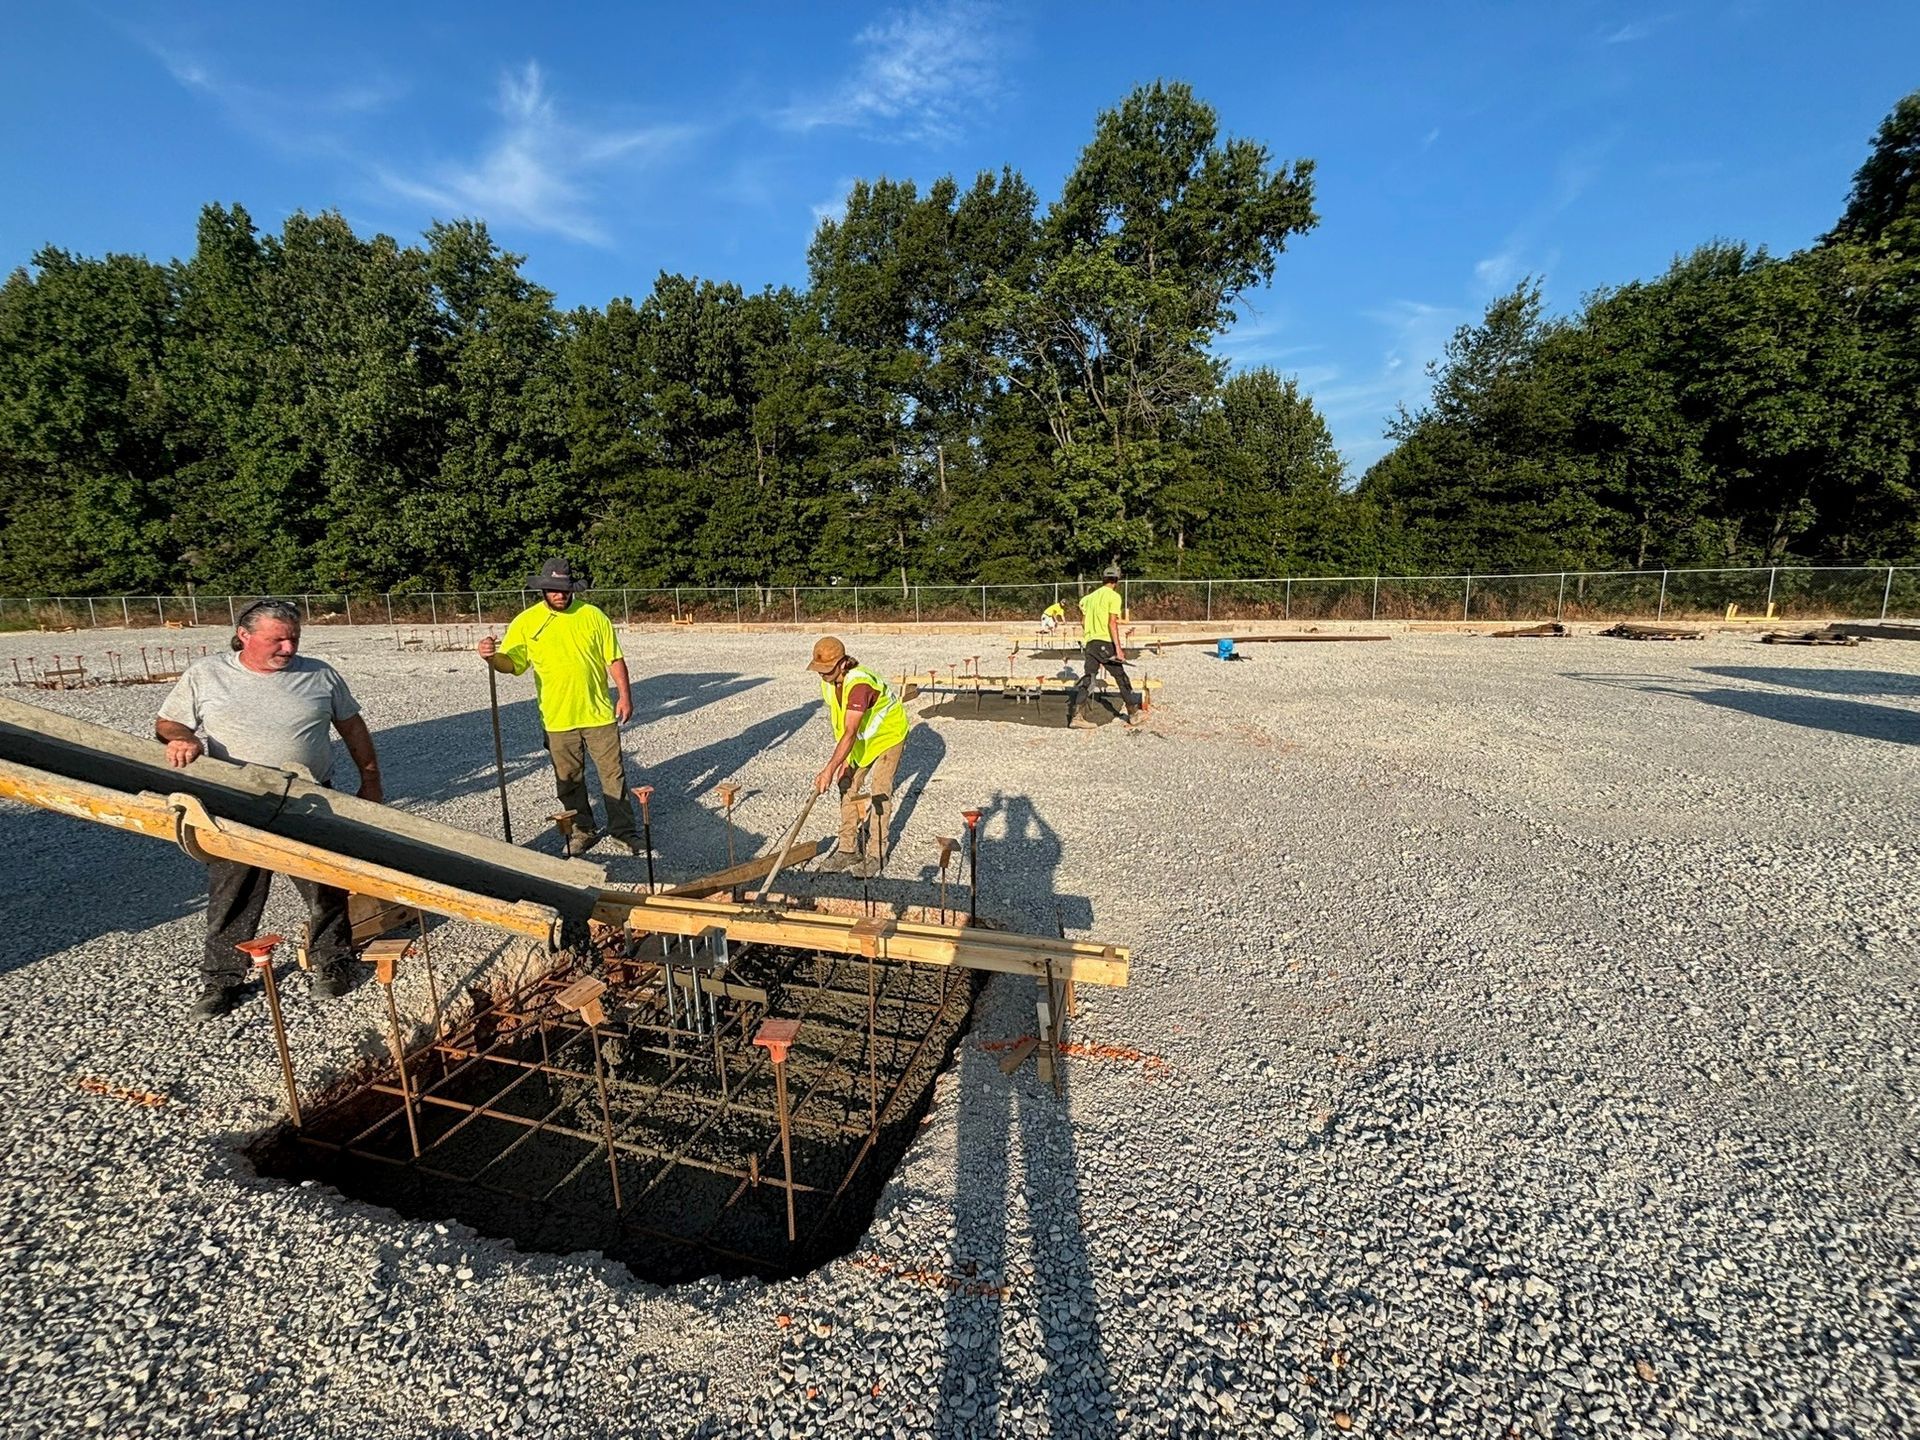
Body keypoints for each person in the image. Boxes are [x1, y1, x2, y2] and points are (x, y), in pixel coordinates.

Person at [155, 598, 383, 1019]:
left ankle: (332, 963)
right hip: (234, 803)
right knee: (233, 890)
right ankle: (221, 980)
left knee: (323, 884)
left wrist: (370, 780)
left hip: (310, 798)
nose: (288, 648)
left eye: (293, 638)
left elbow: (352, 727)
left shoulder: (320, 675)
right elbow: (167, 722)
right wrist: (181, 738)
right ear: (244, 635)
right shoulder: (207, 675)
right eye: (276, 639)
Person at [478, 558, 637, 857]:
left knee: (613, 775)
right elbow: (512, 664)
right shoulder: (526, 622)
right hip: (556, 717)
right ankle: (583, 830)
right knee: (569, 781)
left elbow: (614, 658)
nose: (559, 595)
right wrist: (491, 657)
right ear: (543, 590)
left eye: (564, 589)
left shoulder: (593, 616)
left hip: (599, 712)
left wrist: (625, 696)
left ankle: (624, 832)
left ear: (572, 588)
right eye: (553, 589)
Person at [807, 636, 909, 878]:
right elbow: (842, 725)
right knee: (847, 785)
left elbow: (851, 731)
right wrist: (841, 763)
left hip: (888, 735)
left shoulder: (860, 685)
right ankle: (847, 849)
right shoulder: (829, 682)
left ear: (842, 663)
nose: (823, 675)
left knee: (879, 791)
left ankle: (876, 853)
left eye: (827, 670)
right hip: (863, 740)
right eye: (819, 670)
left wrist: (829, 768)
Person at [1067, 564, 1141, 730]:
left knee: (1089, 678)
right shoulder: (1113, 596)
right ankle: (1133, 714)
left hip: (1091, 643)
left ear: (1103, 579)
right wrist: (1119, 648)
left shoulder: (1088, 598)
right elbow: (1112, 622)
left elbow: (1083, 621)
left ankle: (1077, 716)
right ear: (1116, 580)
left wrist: (1090, 634)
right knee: (1121, 677)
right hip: (1104, 642)